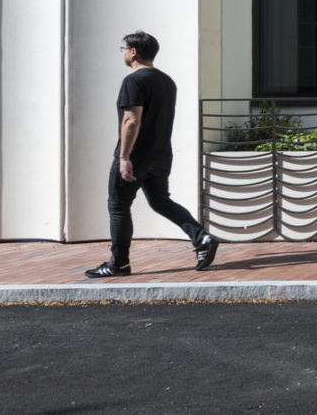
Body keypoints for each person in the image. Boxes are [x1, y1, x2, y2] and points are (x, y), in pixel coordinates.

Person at [85, 31, 220, 278]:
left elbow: (131, 120)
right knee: (160, 201)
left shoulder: (133, 81)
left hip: (136, 156)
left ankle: (119, 264)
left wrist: (124, 157)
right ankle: (202, 237)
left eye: (123, 48)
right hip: (161, 155)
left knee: (118, 206)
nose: (123, 52)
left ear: (133, 52)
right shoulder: (167, 81)